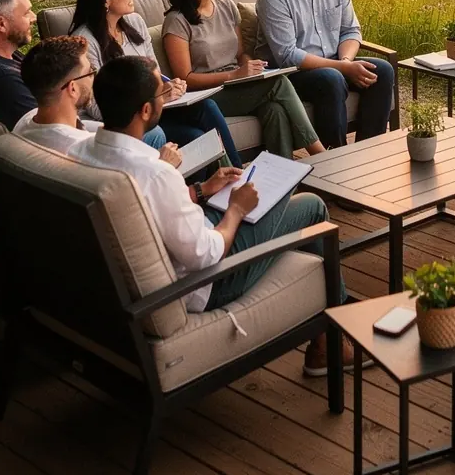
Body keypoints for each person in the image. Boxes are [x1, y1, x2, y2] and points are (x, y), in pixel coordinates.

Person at [69, 56, 350, 374]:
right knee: (310, 204)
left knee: (269, 195)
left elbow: (157, 211)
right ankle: (332, 345)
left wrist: (203, 190)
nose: (165, 96)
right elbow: (206, 255)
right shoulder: (155, 172)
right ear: (146, 111)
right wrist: (236, 209)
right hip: (206, 284)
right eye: (161, 93)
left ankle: (325, 317)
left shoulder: (82, 152)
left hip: (167, 256)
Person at [70, 0, 242, 167]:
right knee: (194, 136)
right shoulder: (85, 41)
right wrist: (156, 96)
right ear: (105, 0)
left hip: (152, 109)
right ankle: (210, 189)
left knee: (206, 106)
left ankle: (235, 174)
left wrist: (169, 87)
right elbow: (97, 107)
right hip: (126, 122)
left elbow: (156, 73)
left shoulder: (135, 22)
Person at [163, 0, 325, 159]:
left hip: (236, 83)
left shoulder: (227, 7)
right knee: (279, 83)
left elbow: (241, 55)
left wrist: (252, 68)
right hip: (208, 93)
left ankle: (283, 179)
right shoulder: (177, 21)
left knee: (273, 109)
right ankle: (318, 153)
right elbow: (185, 78)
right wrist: (234, 75)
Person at [256, 0, 395, 149]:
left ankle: (368, 152)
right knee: (331, 78)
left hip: (335, 63)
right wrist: (342, 68)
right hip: (291, 75)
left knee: (382, 71)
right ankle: (335, 158)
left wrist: (346, 62)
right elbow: (288, 56)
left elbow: (350, 30)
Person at [14, 35, 96, 153]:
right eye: (90, 71)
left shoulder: (26, 121)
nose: (93, 76)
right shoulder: (84, 148)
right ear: (73, 88)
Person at [0, 0, 38, 128]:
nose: (34, 18)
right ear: (1, 24)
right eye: (26, 13)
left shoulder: (8, 55)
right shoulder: (3, 78)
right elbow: (45, 131)